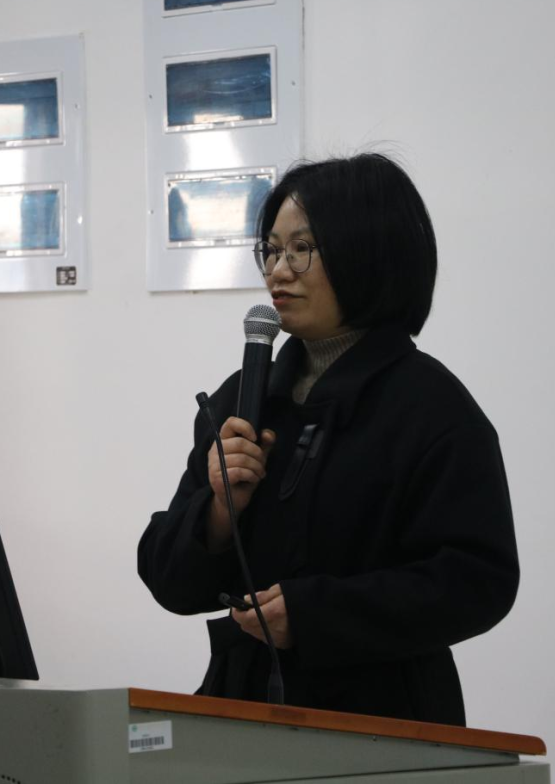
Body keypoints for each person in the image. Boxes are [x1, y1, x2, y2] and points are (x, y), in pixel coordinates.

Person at [137, 153, 519, 726]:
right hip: (242, 712)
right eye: (271, 249)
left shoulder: (432, 408)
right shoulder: (243, 397)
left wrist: (316, 615)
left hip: (383, 725)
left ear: (368, 253)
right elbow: (169, 581)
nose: (278, 271)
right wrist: (218, 511)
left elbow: (478, 582)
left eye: (301, 249)